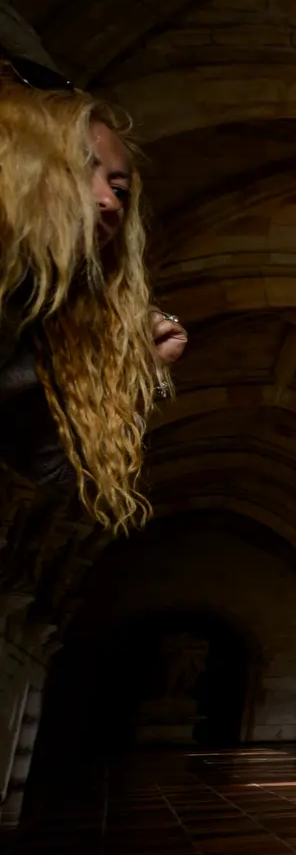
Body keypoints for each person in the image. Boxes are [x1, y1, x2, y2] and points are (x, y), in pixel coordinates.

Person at [0, 68, 160, 530]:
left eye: (120, 188)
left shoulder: (50, 306)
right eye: (83, 165)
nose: (109, 200)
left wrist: (139, 364)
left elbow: (48, 465)